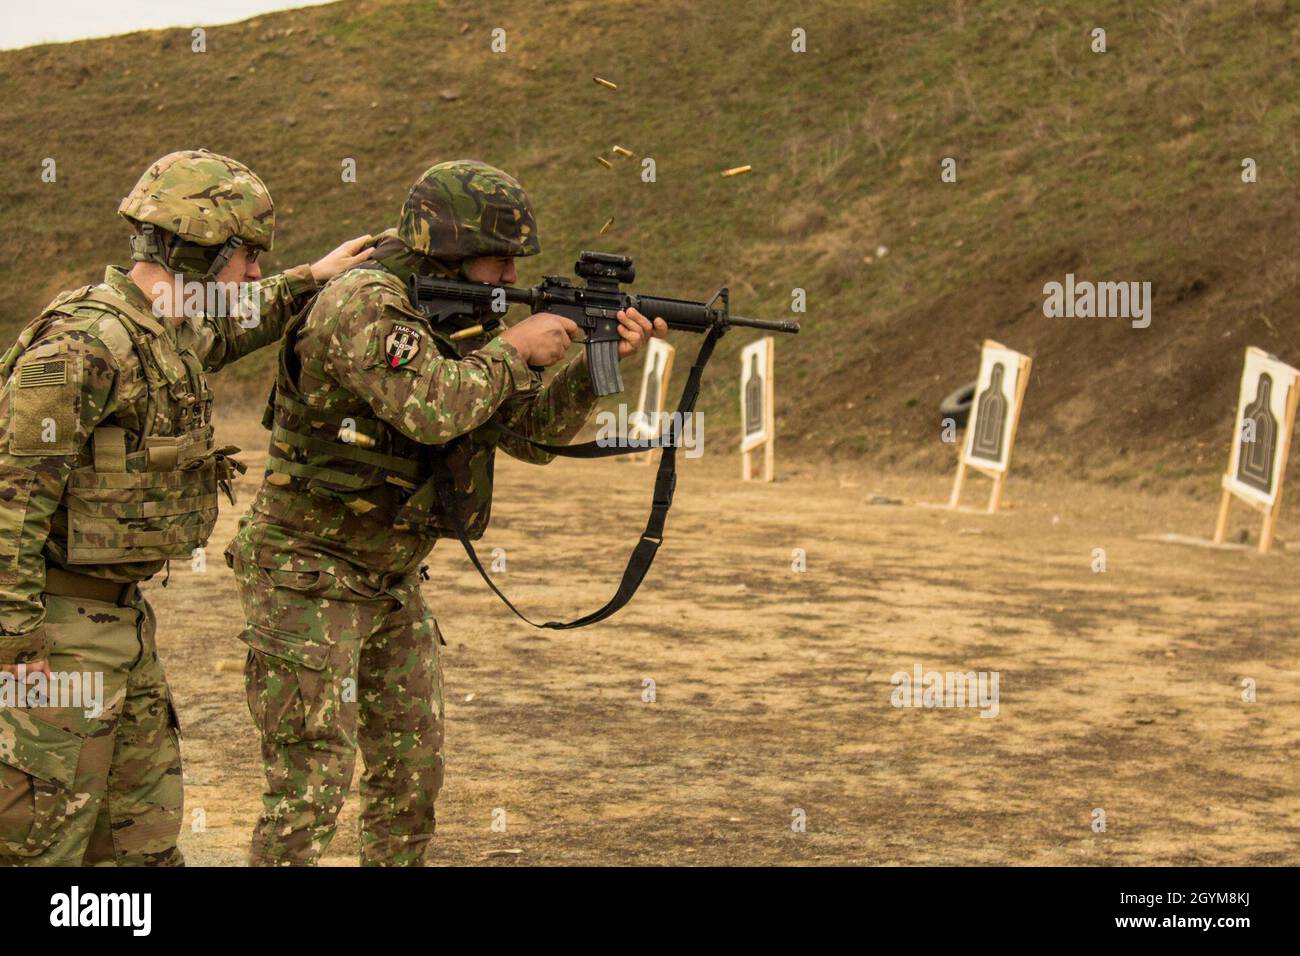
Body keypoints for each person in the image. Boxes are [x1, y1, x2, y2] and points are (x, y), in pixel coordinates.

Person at [226, 159, 666, 866]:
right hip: (308, 571)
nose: (509, 276)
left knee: (411, 775)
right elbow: (432, 411)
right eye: (499, 259)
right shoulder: (364, 302)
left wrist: (590, 365)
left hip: (390, 578)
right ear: (451, 248)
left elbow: (531, 437)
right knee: (309, 787)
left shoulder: (461, 314)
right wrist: (515, 349)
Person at [0, 148, 372, 866]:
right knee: (40, 847)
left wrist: (312, 279)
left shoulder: (166, 328)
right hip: (56, 636)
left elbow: (231, 329)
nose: (256, 273)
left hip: (120, 624)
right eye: (247, 255)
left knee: (138, 846)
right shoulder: (83, 345)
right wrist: (15, 645)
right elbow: (10, 500)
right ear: (195, 252)